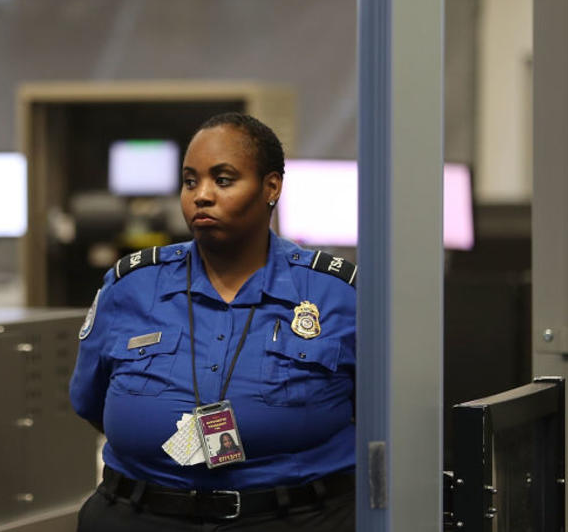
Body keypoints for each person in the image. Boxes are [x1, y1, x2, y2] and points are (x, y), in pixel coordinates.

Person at [69, 112, 356, 531]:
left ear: (270, 187)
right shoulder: (129, 286)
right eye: (190, 181)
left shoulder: (335, 294)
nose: (201, 195)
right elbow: (91, 401)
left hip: (295, 517)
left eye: (223, 180)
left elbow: (382, 421)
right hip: (139, 514)